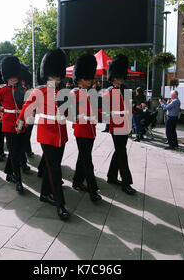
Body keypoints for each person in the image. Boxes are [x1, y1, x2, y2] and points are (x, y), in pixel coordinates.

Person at [17, 49, 71, 220]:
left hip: (61, 134)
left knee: (51, 166)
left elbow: (68, 113)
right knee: (55, 170)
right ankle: (60, 204)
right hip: (47, 134)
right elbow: (27, 109)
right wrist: (20, 123)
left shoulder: (63, 92)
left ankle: (44, 194)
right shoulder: (39, 91)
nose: (57, 79)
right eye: (54, 76)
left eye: (59, 76)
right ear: (47, 75)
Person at [0, 56, 25, 191]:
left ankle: (9, 172)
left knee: (18, 150)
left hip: (21, 123)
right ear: (7, 76)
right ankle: (18, 180)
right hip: (8, 123)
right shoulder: (2, 89)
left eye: (15, 76)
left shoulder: (22, 89)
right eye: (11, 77)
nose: (13, 79)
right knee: (14, 152)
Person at [70, 54, 101, 202]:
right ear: (79, 78)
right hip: (81, 130)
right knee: (88, 161)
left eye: (90, 78)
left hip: (91, 129)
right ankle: (93, 190)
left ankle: (76, 181)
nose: (89, 80)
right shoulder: (73, 93)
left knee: (82, 157)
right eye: (87, 78)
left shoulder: (91, 93)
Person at [104, 54, 136, 195]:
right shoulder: (109, 92)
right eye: (118, 77)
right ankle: (126, 182)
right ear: (113, 77)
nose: (120, 79)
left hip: (126, 125)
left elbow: (130, 108)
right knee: (122, 153)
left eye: (122, 77)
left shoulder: (126, 90)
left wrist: (137, 108)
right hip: (116, 126)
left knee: (119, 151)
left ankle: (111, 176)